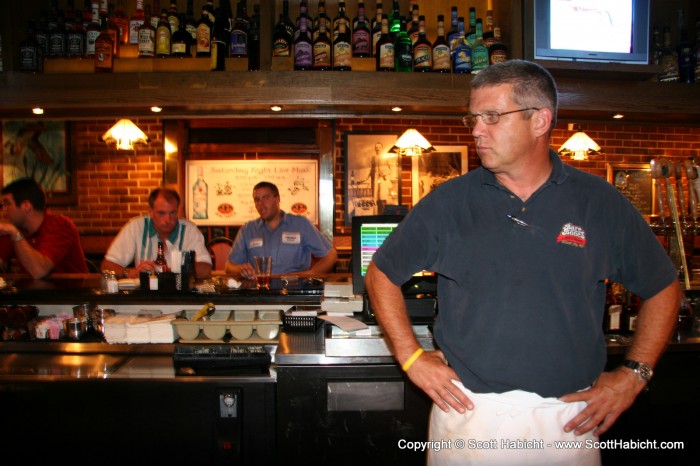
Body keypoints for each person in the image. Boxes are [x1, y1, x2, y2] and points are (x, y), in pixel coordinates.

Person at [365, 60, 681, 465]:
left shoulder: (599, 203)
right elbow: (381, 274)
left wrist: (633, 376)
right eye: (473, 117)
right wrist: (411, 358)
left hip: (570, 419)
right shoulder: (447, 202)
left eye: (492, 117)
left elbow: (663, 287)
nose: (477, 130)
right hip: (468, 416)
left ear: (540, 121)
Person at [226, 181, 337, 278]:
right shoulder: (248, 229)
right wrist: (241, 270)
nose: (261, 204)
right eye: (257, 200)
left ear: (277, 199)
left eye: (266, 198)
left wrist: (310, 274)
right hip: (259, 292)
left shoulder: (300, 224)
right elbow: (229, 266)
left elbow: (330, 255)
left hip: (294, 292)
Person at [101, 187, 212, 279]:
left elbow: (206, 268)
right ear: (150, 212)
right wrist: (132, 273)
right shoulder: (136, 227)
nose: (167, 219)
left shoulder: (189, 230)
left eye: (172, 213)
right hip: (145, 299)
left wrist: (169, 271)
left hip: (180, 298)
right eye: (161, 213)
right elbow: (107, 265)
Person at [0, 177, 88, 278]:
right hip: (33, 292)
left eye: (7, 204)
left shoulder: (60, 225)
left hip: (72, 291)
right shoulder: (16, 229)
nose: (3, 210)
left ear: (26, 206)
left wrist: (15, 234)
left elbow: (39, 271)